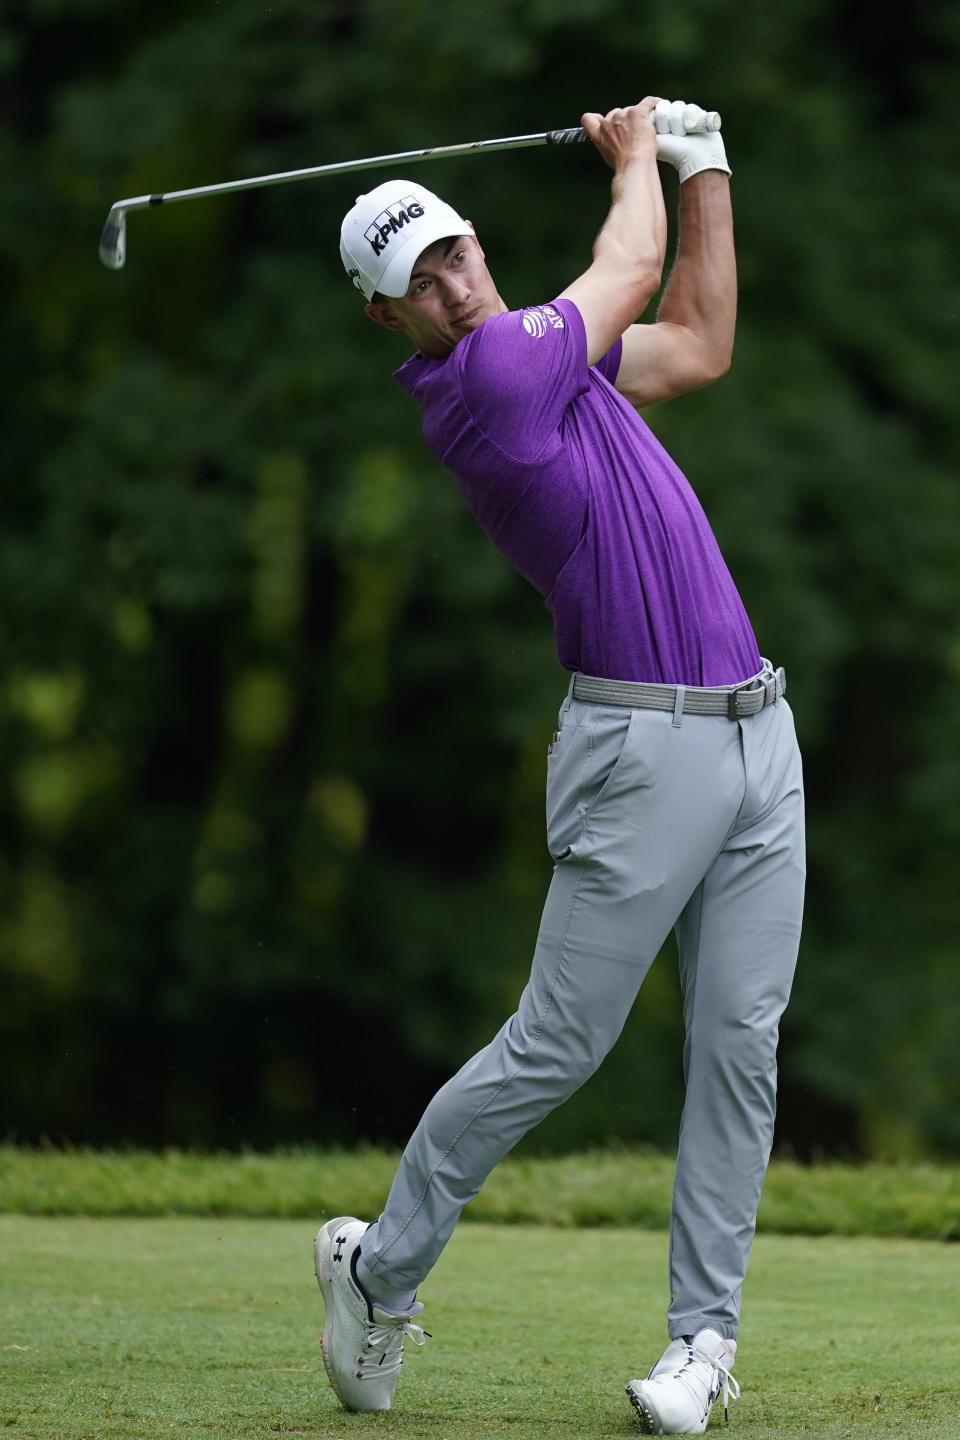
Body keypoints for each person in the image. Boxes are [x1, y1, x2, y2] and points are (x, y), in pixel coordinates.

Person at [315, 96, 805, 1435]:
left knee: (739, 1050)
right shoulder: (488, 381)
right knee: (559, 1042)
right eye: (417, 281)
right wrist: (641, 153)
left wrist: (703, 168)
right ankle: (381, 1272)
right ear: (389, 319)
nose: (450, 284)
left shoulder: (558, 360)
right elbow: (631, 268)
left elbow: (697, 339)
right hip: (639, 750)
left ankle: (702, 1345)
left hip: (760, 736)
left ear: (477, 240)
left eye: (455, 253)